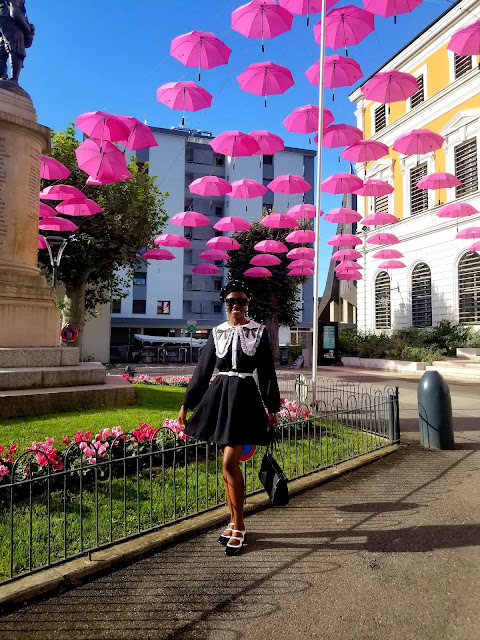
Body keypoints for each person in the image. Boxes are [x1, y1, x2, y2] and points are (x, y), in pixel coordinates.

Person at [177, 280, 280, 556]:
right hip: (220, 398)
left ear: (247, 305)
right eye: (231, 302)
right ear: (225, 305)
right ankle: (232, 521)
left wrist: (272, 409)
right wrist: (187, 403)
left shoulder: (258, 332)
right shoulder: (217, 332)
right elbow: (203, 369)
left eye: (241, 302)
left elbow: (267, 372)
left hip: (244, 400)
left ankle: (240, 525)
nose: (236, 306)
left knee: (229, 462)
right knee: (225, 467)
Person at [0, 0, 34, 84]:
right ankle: (13, 80)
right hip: (10, 19)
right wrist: (28, 29)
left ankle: (4, 78)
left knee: (2, 51)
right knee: (15, 48)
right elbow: (14, 12)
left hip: (3, 18)